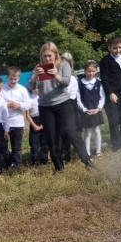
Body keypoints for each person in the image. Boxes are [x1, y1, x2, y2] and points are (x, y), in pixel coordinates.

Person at [31, 42, 94, 172]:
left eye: (50, 55)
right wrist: (36, 76)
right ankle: (59, 167)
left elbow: (66, 82)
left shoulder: (63, 65)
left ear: (55, 54)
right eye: (44, 56)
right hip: (45, 107)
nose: (47, 59)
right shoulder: (38, 68)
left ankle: (87, 160)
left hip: (63, 103)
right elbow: (30, 88)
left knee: (70, 131)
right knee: (51, 137)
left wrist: (56, 75)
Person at [99, 36, 121, 150]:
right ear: (109, 48)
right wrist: (110, 93)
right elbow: (104, 78)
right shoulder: (105, 61)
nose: (118, 50)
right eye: (115, 48)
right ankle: (116, 145)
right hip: (111, 95)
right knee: (114, 120)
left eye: (120, 47)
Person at [2, 66, 32, 168]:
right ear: (7, 77)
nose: (13, 81)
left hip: (18, 122)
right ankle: (9, 162)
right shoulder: (2, 89)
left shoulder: (22, 90)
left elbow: (28, 104)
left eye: (15, 79)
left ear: (18, 78)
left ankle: (17, 165)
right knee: (2, 146)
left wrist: (19, 105)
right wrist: (6, 105)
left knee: (17, 146)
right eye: (11, 79)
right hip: (5, 122)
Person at [76, 61, 106, 157]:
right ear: (84, 71)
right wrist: (84, 110)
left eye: (93, 71)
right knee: (88, 132)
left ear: (96, 71)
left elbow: (102, 97)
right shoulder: (80, 84)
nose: (91, 73)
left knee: (97, 131)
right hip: (86, 112)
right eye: (88, 71)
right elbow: (78, 98)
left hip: (96, 111)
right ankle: (87, 153)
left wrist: (98, 108)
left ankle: (98, 151)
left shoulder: (98, 83)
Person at [25, 88, 45, 164]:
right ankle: (35, 161)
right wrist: (34, 126)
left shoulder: (44, 96)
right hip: (34, 120)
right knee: (34, 144)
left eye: (38, 87)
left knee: (44, 143)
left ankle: (44, 160)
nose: (36, 90)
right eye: (34, 88)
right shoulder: (29, 99)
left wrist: (44, 124)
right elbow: (27, 115)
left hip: (43, 119)